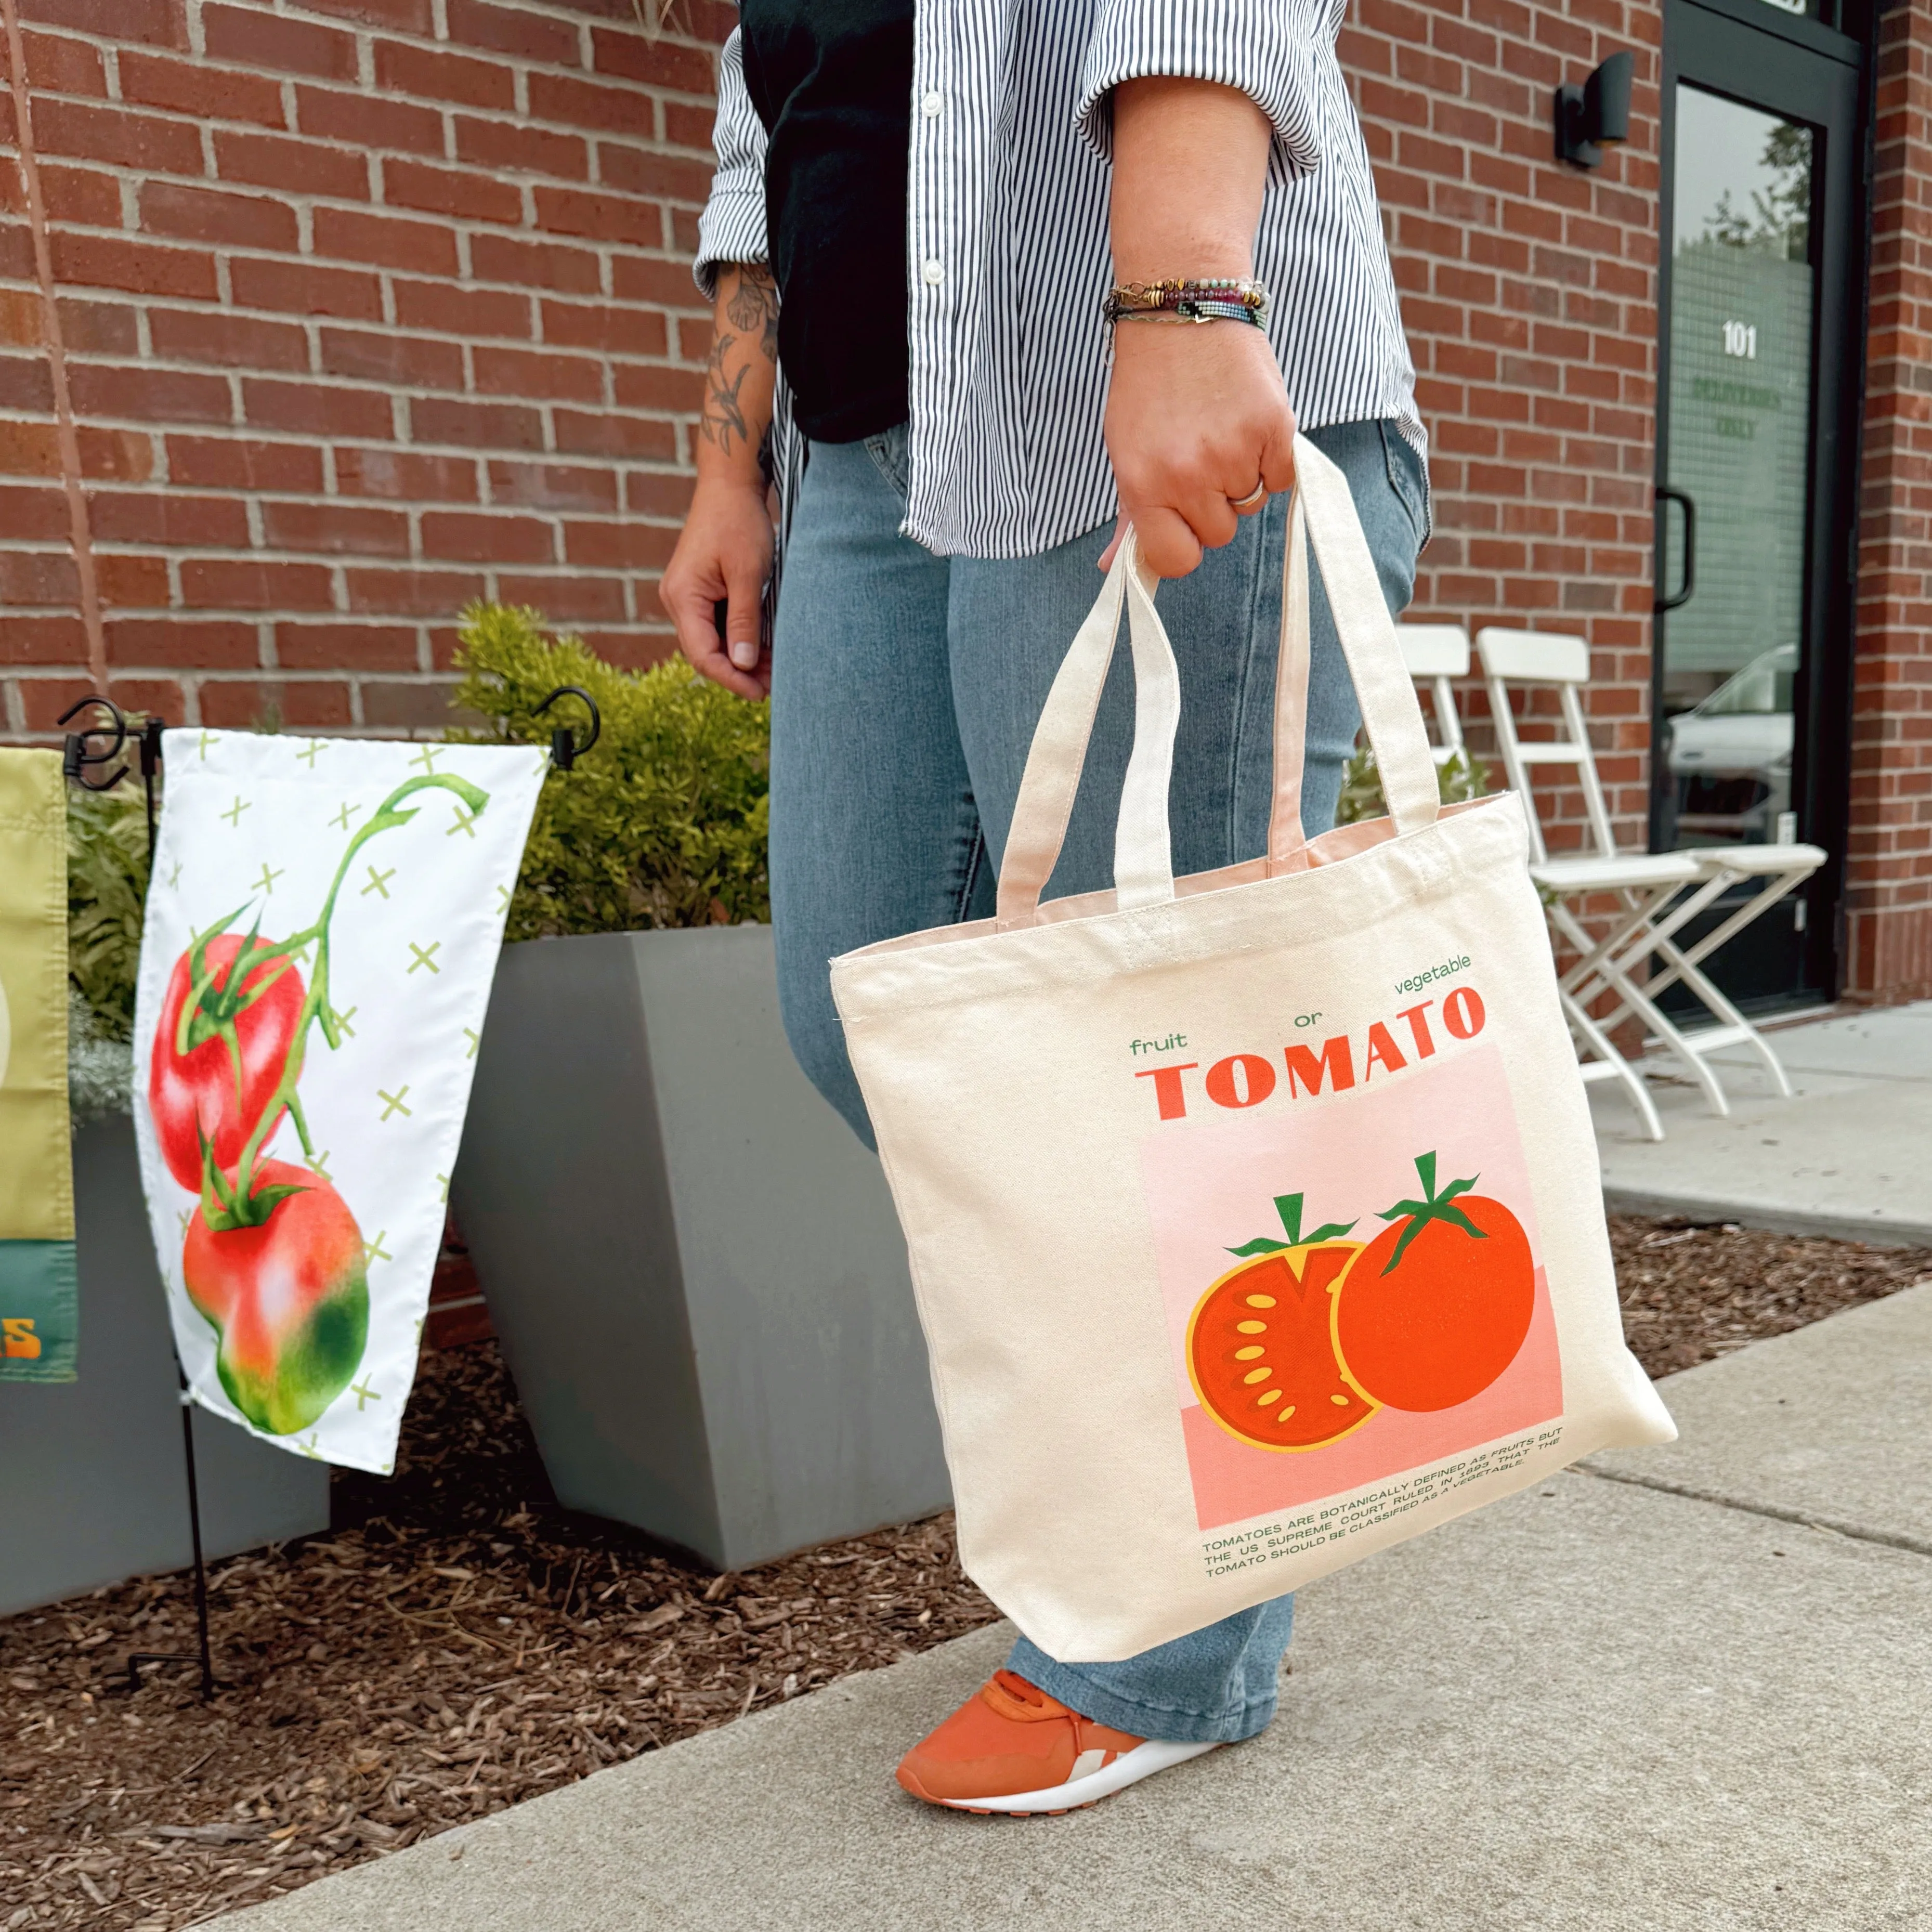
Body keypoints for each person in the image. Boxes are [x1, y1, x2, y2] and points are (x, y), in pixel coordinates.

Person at [661, 0, 1427, 1816]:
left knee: (1145, 1059)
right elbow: (780, 126)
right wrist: (729, 456)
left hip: (1137, 371)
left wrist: (1185, 303)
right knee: (873, 1015)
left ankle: (1162, 1643)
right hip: (860, 454)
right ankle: (1175, 1490)